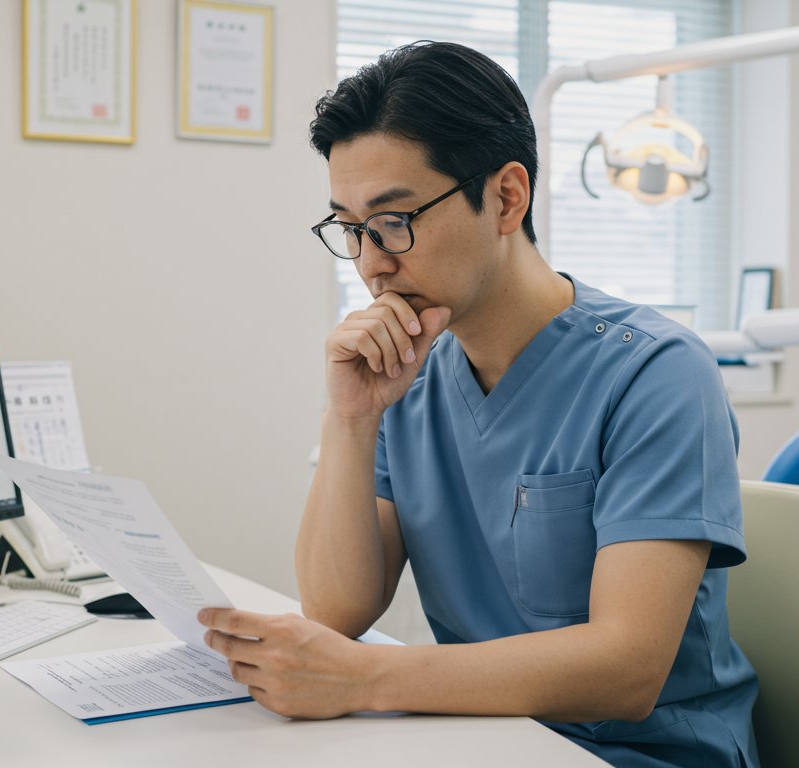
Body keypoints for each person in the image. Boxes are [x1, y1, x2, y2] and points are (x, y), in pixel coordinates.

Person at [197, 41, 759, 767]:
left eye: (395, 220)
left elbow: (626, 671)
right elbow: (337, 611)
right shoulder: (408, 376)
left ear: (506, 197)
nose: (372, 262)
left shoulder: (655, 373)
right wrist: (350, 416)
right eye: (351, 229)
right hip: (481, 740)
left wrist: (365, 679)